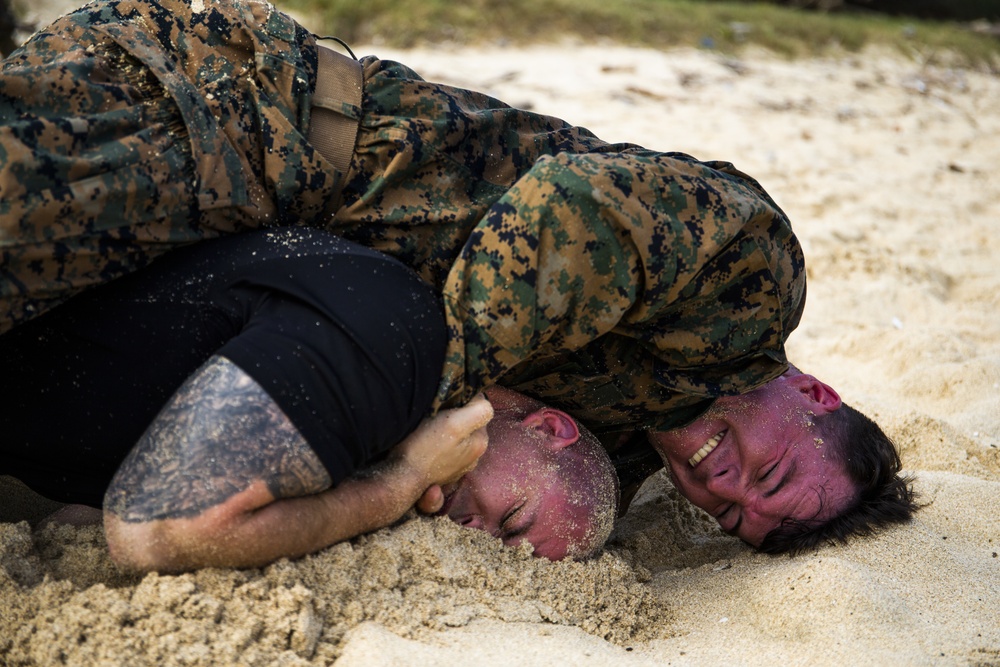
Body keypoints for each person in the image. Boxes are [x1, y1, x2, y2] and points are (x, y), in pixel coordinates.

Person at [0, 0, 916, 556]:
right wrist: (412, 403)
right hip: (254, 121)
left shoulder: (621, 448)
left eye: (733, 519)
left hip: (240, 255)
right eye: (777, 473)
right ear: (815, 395)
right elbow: (567, 211)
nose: (727, 490)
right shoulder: (749, 287)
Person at [1, 226, 618, 571]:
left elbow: (76, 518)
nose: (480, 536)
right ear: (550, 428)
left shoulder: (359, 442)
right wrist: (402, 481)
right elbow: (153, 535)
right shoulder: (401, 351)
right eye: (512, 522)